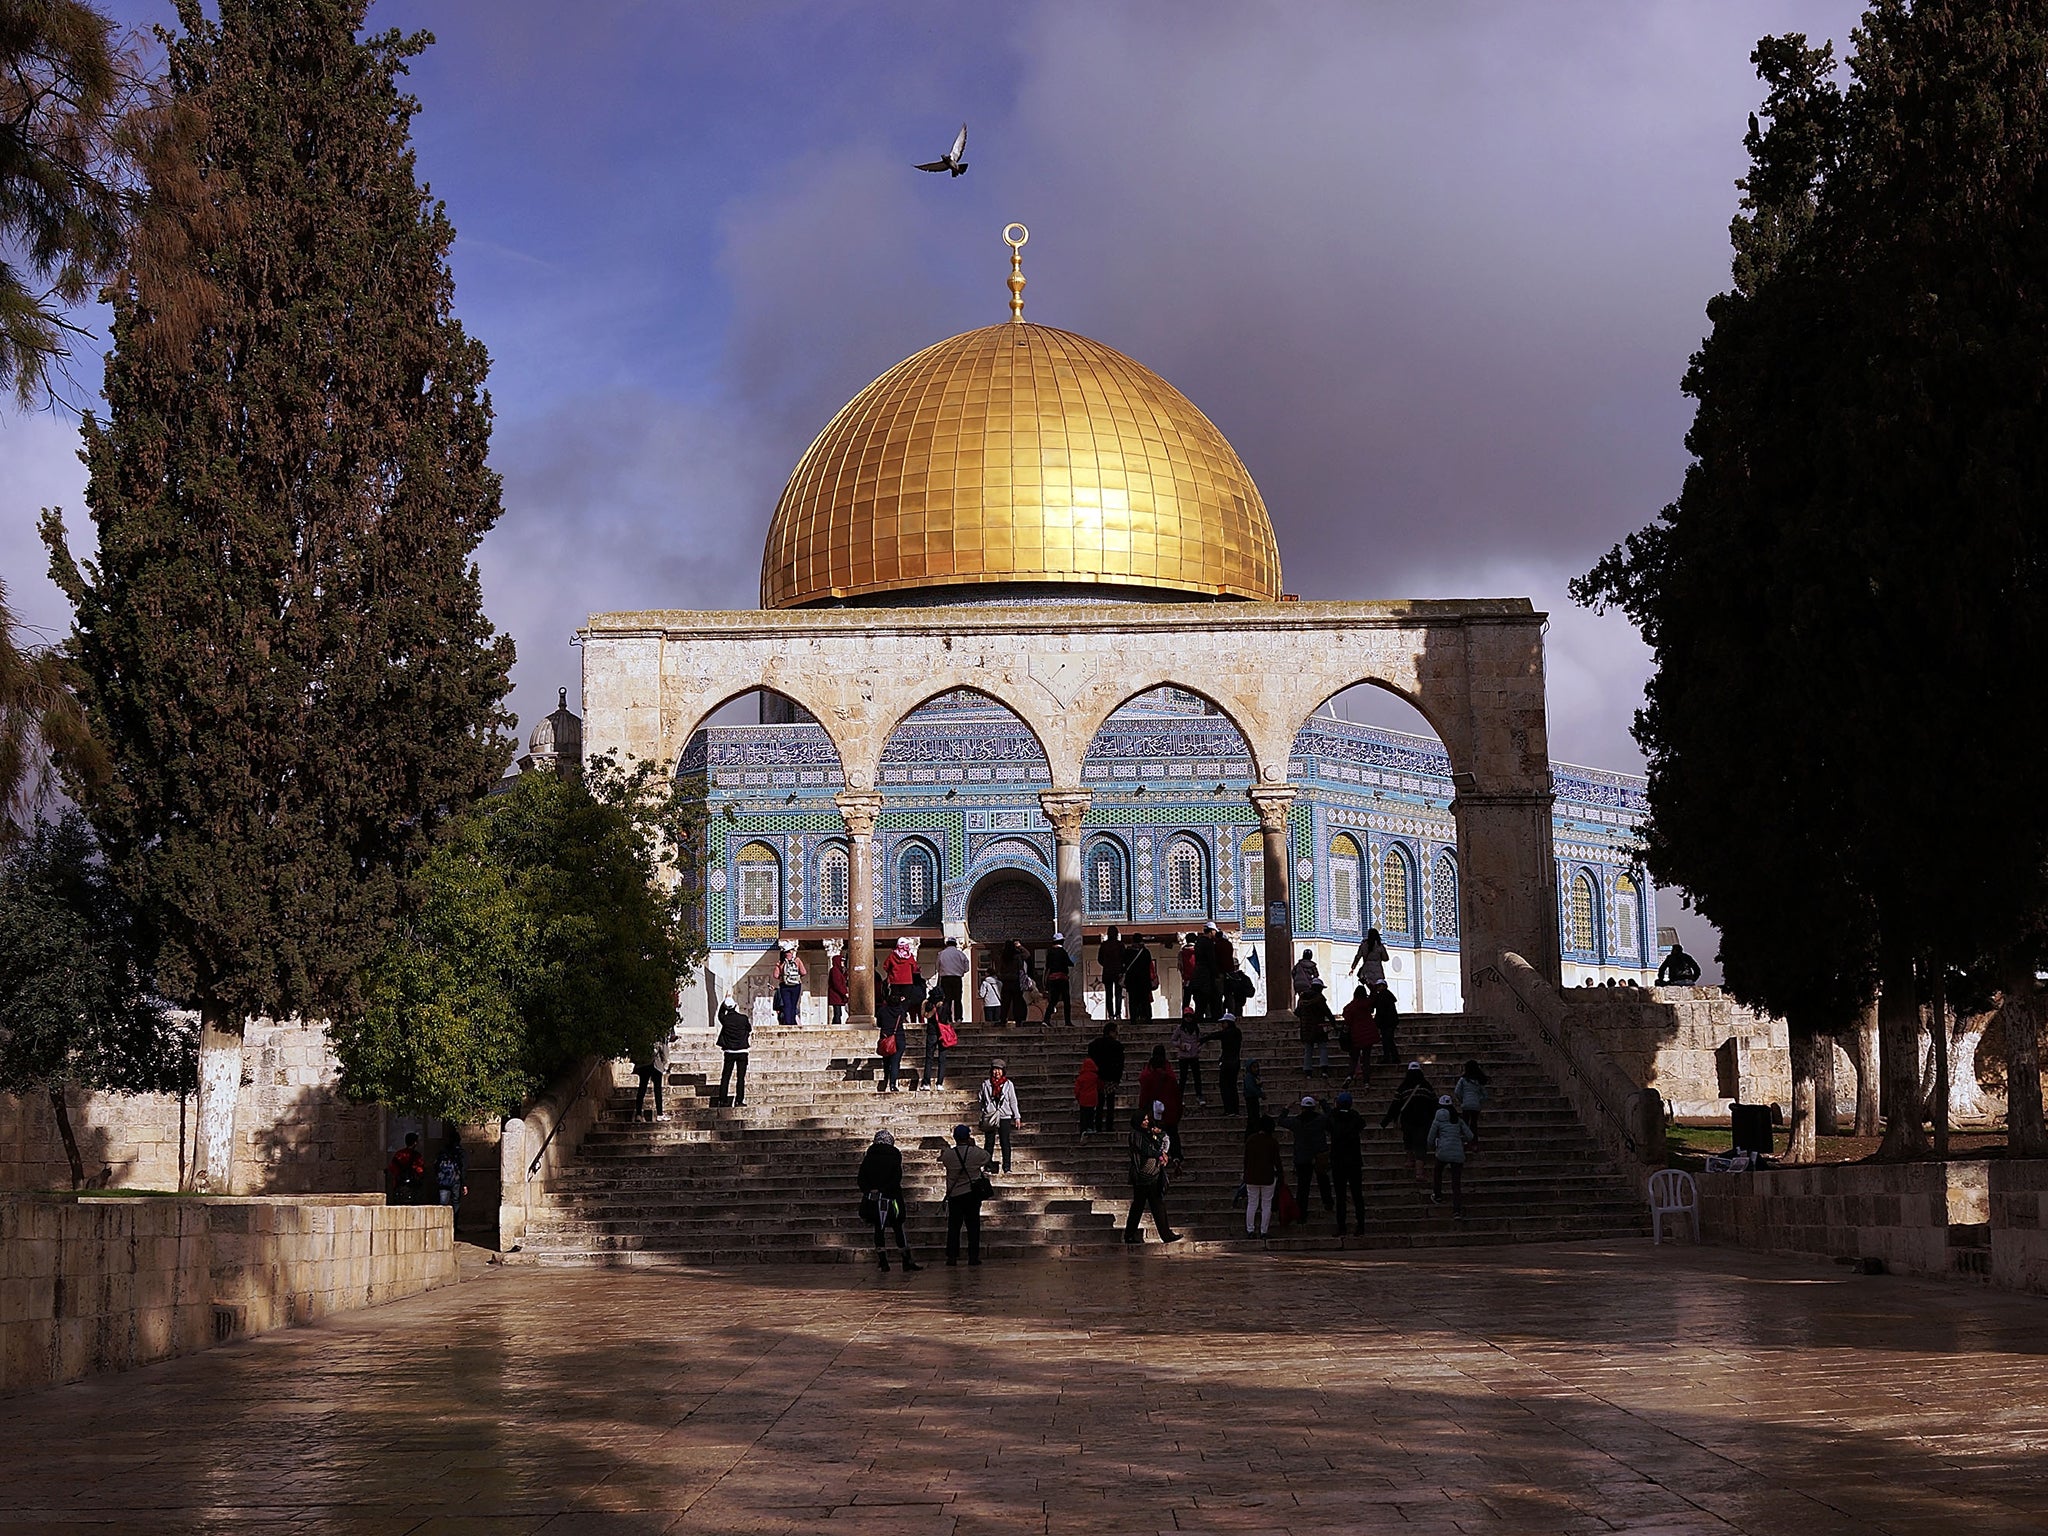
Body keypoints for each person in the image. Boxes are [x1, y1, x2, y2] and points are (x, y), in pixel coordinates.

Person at [857, 1130, 921, 1271]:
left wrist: (871, 1190)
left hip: (874, 1200)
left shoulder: (868, 1157)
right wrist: (885, 1190)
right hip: (892, 1199)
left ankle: (883, 1261)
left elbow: (861, 1179)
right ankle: (906, 1259)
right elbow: (896, 1178)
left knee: (878, 1229)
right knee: (898, 1227)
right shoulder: (894, 1156)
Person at [1123, 1101, 1181, 1244]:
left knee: (1157, 1204)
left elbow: (1161, 1143)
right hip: (1142, 1174)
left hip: (1154, 1174)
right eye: (1144, 1119)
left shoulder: (1148, 1133)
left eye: (1148, 1119)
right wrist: (1160, 1155)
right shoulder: (1135, 1135)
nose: (1146, 1121)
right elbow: (1146, 1150)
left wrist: (1159, 1135)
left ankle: (1166, 1234)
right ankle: (1130, 1234)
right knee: (1139, 1205)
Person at [1277, 1095, 1334, 1220]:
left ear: (1302, 1108)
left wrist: (1287, 1107)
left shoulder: (1296, 1122)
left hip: (1302, 1156)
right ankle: (1328, 1203)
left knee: (1303, 1186)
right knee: (1323, 1181)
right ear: (1314, 1107)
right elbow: (1331, 1114)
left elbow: (1281, 1121)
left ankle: (1301, 1213)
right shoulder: (1320, 1120)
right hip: (1319, 1154)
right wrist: (1322, 1101)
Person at [939, 1123, 989, 1265]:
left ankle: (952, 1257)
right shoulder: (975, 1153)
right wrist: (973, 1146)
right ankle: (973, 1257)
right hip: (971, 1194)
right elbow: (986, 1156)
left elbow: (944, 1162)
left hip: (955, 1195)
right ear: (968, 1137)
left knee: (954, 1227)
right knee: (973, 1227)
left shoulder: (948, 1154)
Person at [1382, 1063, 1438, 1185]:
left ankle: (1409, 1160)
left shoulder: (1403, 1087)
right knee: (1420, 1144)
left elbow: (1395, 1106)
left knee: (1408, 1140)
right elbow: (1434, 1104)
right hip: (1423, 1121)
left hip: (1407, 1121)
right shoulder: (1426, 1086)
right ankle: (1419, 1172)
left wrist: (1385, 1121)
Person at [1327, 1091, 1367, 1235]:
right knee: (1357, 1195)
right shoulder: (1355, 1117)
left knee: (1340, 1196)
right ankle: (1361, 1226)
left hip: (1338, 1161)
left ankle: (1341, 1227)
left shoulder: (1333, 1117)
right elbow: (1362, 1124)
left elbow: (1328, 1122)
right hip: (1354, 1161)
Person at [1428, 1094, 1474, 1217]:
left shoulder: (1438, 1118)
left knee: (1438, 1172)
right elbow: (1470, 1136)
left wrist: (1433, 1146)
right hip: (1457, 1152)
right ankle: (1457, 1210)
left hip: (1443, 1151)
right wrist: (1460, 1139)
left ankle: (1437, 1195)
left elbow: (1430, 1138)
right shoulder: (1457, 1119)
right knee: (1456, 1183)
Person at [1243, 1114, 1283, 1238]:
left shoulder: (1251, 1140)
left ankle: (1250, 1230)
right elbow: (1277, 1161)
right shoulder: (1272, 1142)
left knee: (1252, 1203)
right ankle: (1263, 1231)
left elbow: (1246, 1160)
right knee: (1266, 1204)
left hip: (1251, 1176)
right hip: (1268, 1176)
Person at [979, 1059, 1023, 1172]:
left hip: (1005, 1116)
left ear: (1003, 1071)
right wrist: (985, 1109)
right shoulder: (986, 1084)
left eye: (999, 1070)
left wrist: (1017, 1116)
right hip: (991, 1115)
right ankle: (987, 1165)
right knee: (989, 1142)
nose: (997, 1072)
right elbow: (981, 1099)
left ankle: (1007, 1166)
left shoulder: (1008, 1084)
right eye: (995, 1069)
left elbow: (1013, 1101)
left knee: (1005, 1142)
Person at [1087, 1020, 1126, 1128]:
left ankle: (1098, 1124)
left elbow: (1090, 1051)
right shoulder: (1117, 1046)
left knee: (1099, 1102)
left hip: (1099, 1077)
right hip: (1111, 1078)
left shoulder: (1096, 1044)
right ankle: (1109, 1125)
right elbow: (1120, 1063)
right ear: (1111, 1032)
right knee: (1110, 1103)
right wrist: (1118, 1077)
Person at [716, 992, 751, 1106]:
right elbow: (749, 1029)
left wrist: (725, 1001)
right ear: (735, 1006)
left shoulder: (725, 1020)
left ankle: (723, 1100)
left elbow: (720, 1014)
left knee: (726, 1076)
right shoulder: (743, 1018)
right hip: (742, 1051)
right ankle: (739, 1100)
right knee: (741, 1078)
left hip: (729, 1051)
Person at [1340, 985, 1378, 1084]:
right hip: (1368, 1035)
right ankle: (1366, 1082)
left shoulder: (1351, 1006)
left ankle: (1349, 1076)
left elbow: (1347, 1019)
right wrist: (1368, 984)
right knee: (1366, 1059)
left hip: (1356, 1035)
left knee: (1354, 1058)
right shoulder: (1367, 1003)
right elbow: (1374, 996)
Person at [1210, 1012, 1244, 1114]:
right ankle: (1232, 1109)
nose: (1222, 1025)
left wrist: (1204, 1039)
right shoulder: (1236, 1033)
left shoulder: (1232, 1032)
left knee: (1227, 1087)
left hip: (1229, 1063)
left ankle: (1230, 1109)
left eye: (1224, 1023)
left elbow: (1218, 1035)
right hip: (1232, 1062)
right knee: (1231, 1087)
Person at [632, 1031, 670, 1121]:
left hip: (643, 1065)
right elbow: (664, 1053)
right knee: (657, 1090)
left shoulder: (640, 1034)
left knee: (642, 1089)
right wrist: (663, 1063)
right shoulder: (658, 1035)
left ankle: (638, 1114)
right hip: (655, 1065)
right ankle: (660, 1114)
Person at [1172, 1011, 1206, 1105]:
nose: (1188, 1018)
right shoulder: (1180, 1028)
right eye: (1186, 1016)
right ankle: (1180, 1097)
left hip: (1194, 1056)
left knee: (1197, 1077)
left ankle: (1199, 1096)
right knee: (1183, 1078)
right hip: (1184, 1056)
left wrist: (1198, 1048)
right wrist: (1180, 1045)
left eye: (1190, 1016)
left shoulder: (1196, 1028)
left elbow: (1200, 1040)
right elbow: (1173, 1040)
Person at [1453, 1060, 1491, 1144]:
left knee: (1465, 1124)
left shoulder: (1463, 1080)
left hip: (1466, 1104)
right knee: (1474, 1124)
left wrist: (1462, 1099)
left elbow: (1457, 1092)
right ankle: (1474, 1142)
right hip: (1476, 1105)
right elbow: (1485, 1095)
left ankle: (1465, 1141)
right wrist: (1479, 1100)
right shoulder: (1479, 1081)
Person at [1123, 937, 1157, 1027]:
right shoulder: (1145, 952)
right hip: (1144, 980)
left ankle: (1133, 1019)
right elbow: (1148, 964)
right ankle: (1148, 1018)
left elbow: (1124, 964)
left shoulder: (1128, 952)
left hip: (1132, 981)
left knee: (1133, 1001)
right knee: (1145, 1000)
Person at [1042, 931, 1074, 1025]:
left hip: (1052, 979)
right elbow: (1069, 963)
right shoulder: (1062, 952)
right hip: (1062, 979)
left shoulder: (1050, 952)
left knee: (1053, 1000)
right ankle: (1067, 1021)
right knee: (1066, 1000)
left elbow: (1047, 966)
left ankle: (1046, 1019)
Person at [921, 995, 953, 1090]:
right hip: (943, 1033)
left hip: (932, 1032)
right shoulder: (945, 1005)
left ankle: (926, 1083)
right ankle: (940, 1083)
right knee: (942, 1059)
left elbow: (924, 1015)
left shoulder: (929, 1005)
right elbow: (949, 1017)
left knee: (929, 1058)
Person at [883, 938, 920, 1018]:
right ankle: (902, 1015)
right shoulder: (909, 957)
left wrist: (892, 973)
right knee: (905, 1000)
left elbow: (885, 966)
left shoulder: (892, 956)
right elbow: (914, 969)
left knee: (894, 999)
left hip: (895, 982)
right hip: (907, 982)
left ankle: (895, 1015)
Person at [935, 937, 970, 1023]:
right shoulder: (960, 954)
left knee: (947, 999)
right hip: (957, 978)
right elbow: (967, 967)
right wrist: (961, 971)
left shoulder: (941, 954)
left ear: (947, 944)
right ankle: (958, 1018)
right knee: (958, 999)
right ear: (955, 944)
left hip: (945, 978)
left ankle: (947, 1017)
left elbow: (937, 967)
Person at [1298, 988, 1331, 1078]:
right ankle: (1324, 1070)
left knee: (1308, 1050)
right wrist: (1333, 1023)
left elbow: (1297, 1013)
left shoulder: (1302, 999)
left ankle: (1307, 1071)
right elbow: (1327, 1012)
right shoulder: (1320, 999)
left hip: (1307, 1029)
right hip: (1319, 1028)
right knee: (1323, 1048)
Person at [434, 1137, 467, 1222]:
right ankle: (454, 1225)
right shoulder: (460, 1152)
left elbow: (436, 1165)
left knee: (443, 1204)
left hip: (443, 1181)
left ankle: (442, 1223)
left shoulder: (442, 1151)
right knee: (455, 1202)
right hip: (455, 1180)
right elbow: (463, 1168)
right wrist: (464, 1184)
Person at [387, 1133, 425, 1205]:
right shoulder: (417, 1156)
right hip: (413, 1186)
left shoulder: (399, 1154)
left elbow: (392, 1168)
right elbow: (420, 1170)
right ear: (415, 1143)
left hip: (400, 1185)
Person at [773, 942, 805, 1028]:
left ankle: (788, 1023)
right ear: (791, 951)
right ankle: (793, 1022)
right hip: (796, 985)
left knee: (787, 1004)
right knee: (793, 1004)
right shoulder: (797, 960)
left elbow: (775, 975)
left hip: (784, 985)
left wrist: (782, 976)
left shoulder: (780, 962)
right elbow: (804, 972)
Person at [998, 940, 1029, 1028]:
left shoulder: (1003, 956)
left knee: (1005, 1003)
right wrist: (1019, 946)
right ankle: (1018, 1020)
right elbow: (1027, 955)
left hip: (1006, 981)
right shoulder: (1017, 956)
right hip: (1015, 981)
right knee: (1017, 1002)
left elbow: (999, 968)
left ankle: (1003, 1020)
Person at [1371, 980, 1402, 1066]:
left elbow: (1378, 1008)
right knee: (1388, 1040)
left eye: (1379, 986)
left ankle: (1390, 1057)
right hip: (1389, 1022)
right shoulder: (1386, 995)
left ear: (1383, 986)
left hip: (1387, 1022)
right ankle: (1392, 1057)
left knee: (1387, 1040)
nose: (1378, 988)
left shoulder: (1383, 995)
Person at [1098, 926, 1126, 1021]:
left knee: (1108, 994)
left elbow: (1100, 959)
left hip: (1107, 972)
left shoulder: (1104, 945)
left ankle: (1110, 1014)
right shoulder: (1120, 945)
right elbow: (1124, 958)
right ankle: (1118, 1014)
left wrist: (1106, 965)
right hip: (1118, 972)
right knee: (1118, 994)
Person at [876, 1007, 905, 1094]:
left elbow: (879, 1023)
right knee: (895, 1062)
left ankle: (886, 1078)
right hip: (899, 1037)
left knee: (886, 1061)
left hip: (886, 1037)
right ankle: (892, 1084)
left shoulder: (882, 1010)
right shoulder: (901, 1010)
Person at [1074, 1054, 1101, 1136]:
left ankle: (1083, 1129)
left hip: (1083, 1099)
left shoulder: (1081, 1077)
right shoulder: (1095, 1077)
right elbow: (1099, 1086)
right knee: (1091, 1114)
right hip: (1092, 1098)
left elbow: (1077, 1089)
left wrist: (1077, 1096)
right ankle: (1090, 1127)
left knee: (1083, 1115)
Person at [827, 949, 850, 1029]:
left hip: (838, 996)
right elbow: (837, 984)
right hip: (836, 995)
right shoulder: (834, 971)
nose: (843, 963)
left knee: (838, 1013)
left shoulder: (839, 971)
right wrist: (844, 993)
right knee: (837, 1013)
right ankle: (836, 1026)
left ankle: (836, 1025)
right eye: (841, 961)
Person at [1242, 1057, 1267, 1130]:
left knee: (1254, 1116)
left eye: (1257, 1067)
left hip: (1254, 1098)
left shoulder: (1253, 1077)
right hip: (1251, 1098)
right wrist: (1260, 1094)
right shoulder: (1249, 1077)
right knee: (1253, 1117)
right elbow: (1251, 1088)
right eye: (1254, 1067)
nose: (1256, 1069)